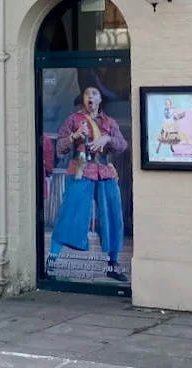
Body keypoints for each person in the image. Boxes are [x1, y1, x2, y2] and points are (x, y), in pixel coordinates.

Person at [45, 87, 129, 282]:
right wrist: (74, 137)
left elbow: (123, 145)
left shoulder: (110, 122)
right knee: (69, 214)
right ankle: (52, 262)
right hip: (81, 170)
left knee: (113, 217)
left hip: (105, 172)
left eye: (94, 94)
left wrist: (108, 138)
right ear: (83, 99)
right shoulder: (74, 120)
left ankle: (112, 264)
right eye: (87, 94)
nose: (90, 97)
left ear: (101, 99)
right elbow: (60, 148)